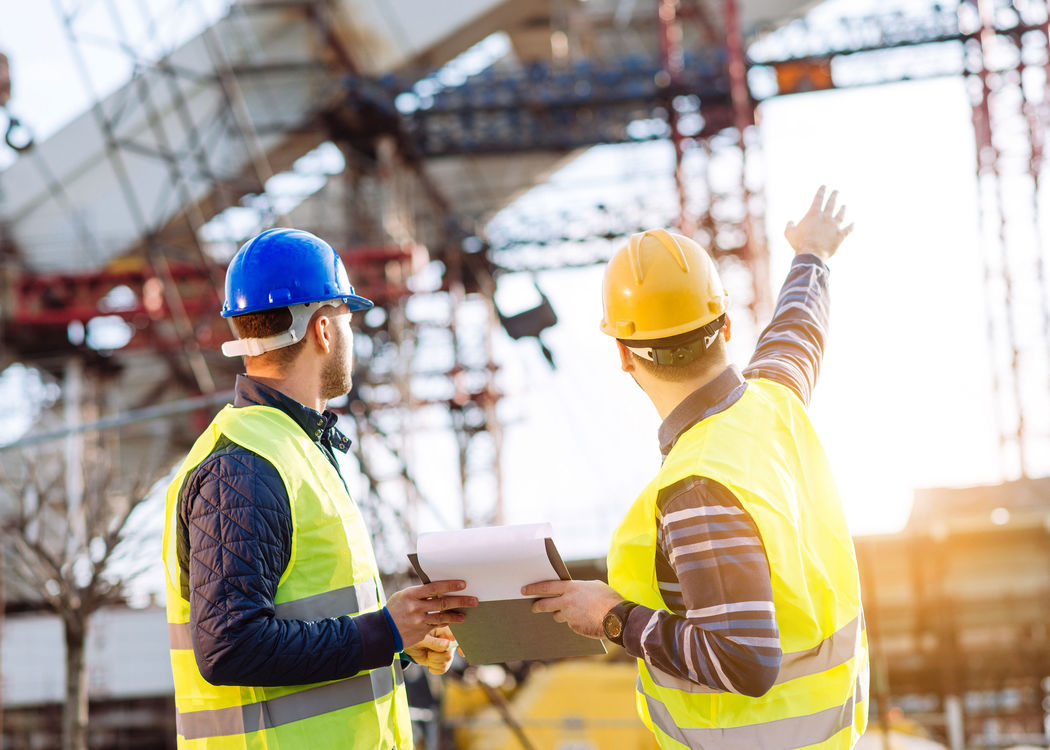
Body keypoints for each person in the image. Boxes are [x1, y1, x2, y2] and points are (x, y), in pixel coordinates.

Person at [523, 187, 869, 749]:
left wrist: (613, 616)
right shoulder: (773, 404)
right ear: (726, 327)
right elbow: (798, 332)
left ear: (623, 355)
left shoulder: (698, 486)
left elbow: (744, 661)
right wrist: (812, 255)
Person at [161, 228, 478, 749]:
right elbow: (229, 647)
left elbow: (303, 619)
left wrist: (397, 644)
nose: (352, 336)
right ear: (324, 330)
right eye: (350, 320)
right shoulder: (244, 467)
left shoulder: (289, 448)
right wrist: (385, 631)